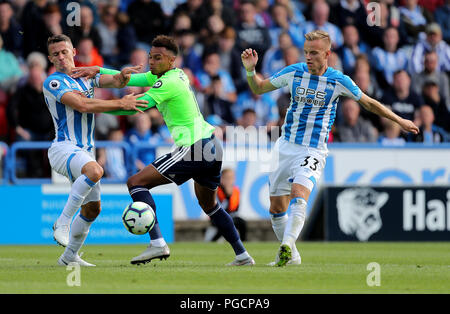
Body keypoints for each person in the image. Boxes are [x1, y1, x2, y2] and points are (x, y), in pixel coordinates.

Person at [241, 30, 419, 267]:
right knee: (276, 209)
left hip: (313, 150)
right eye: (306, 52)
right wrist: (251, 70)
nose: (308, 57)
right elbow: (260, 88)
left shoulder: (339, 80)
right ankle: (292, 256)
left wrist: (399, 120)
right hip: (284, 146)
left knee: (299, 194)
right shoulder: (294, 72)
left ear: (327, 54)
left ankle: (286, 244)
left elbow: (369, 103)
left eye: (313, 53)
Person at [72, 35, 255, 266]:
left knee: (136, 182)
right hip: (211, 147)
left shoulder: (167, 82)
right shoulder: (174, 74)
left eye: (157, 58)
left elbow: (134, 108)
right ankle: (242, 255)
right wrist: (97, 69)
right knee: (211, 205)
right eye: (150, 56)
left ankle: (157, 242)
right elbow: (129, 78)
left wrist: (93, 107)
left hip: (194, 147)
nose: (151, 61)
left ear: (171, 60)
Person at [44, 34, 148, 266]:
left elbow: (119, 83)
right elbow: (83, 105)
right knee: (95, 170)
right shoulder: (53, 82)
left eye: (64, 51)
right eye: (56, 54)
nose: (61, 57)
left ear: (73, 52)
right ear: (50, 58)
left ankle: (69, 257)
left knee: (93, 209)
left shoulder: (86, 76)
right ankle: (62, 222)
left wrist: (120, 74)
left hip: (84, 150)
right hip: (64, 147)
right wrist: (121, 104)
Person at [204, 168, 247, 242]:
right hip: (217, 217)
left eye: (231, 178)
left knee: (241, 222)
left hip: (231, 216)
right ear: (221, 179)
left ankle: (243, 243)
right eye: (226, 178)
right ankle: (214, 240)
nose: (229, 181)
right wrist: (227, 196)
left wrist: (229, 196)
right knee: (225, 221)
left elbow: (236, 208)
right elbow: (219, 208)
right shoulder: (216, 190)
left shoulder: (236, 190)